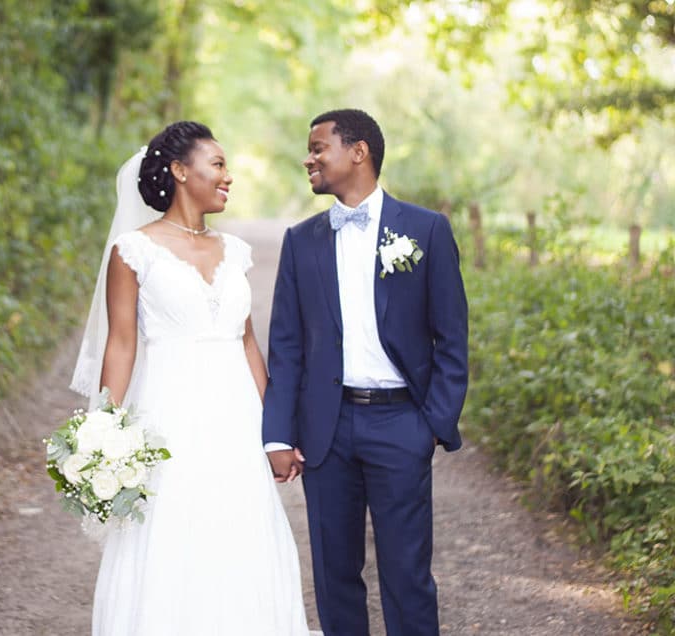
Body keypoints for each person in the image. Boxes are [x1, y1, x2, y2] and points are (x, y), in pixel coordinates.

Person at [70, 121, 310, 636]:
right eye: (218, 164)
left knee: (242, 537)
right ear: (181, 170)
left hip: (237, 421)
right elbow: (122, 343)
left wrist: (278, 431)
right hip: (170, 421)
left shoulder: (236, 252)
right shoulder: (133, 251)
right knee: (173, 539)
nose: (229, 176)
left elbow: (247, 341)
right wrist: (103, 432)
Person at [262, 109, 468, 636]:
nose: (308, 158)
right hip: (325, 432)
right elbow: (286, 347)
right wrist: (278, 435)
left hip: (401, 424)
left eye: (318, 147)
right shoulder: (300, 239)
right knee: (334, 577)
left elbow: (452, 338)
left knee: (406, 575)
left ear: (359, 152)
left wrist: (431, 425)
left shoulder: (425, 230)